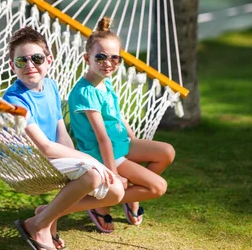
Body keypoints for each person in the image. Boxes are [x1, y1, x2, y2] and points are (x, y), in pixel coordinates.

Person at [2, 26, 125, 250]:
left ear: (48, 60)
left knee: (116, 192)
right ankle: (38, 225)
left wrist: (78, 157)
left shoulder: (51, 86)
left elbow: (61, 132)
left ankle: (46, 215)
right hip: (28, 161)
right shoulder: (14, 100)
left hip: (52, 158)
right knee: (91, 176)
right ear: (12, 65)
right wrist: (89, 161)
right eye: (21, 60)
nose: (30, 65)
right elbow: (45, 147)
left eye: (36, 58)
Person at [68, 17, 175, 233]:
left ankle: (130, 194)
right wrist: (114, 174)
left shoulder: (104, 82)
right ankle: (97, 205)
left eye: (114, 58)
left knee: (166, 152)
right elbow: (101, 138)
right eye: (100, 57)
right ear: (86, 58)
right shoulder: (85, 92)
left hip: (120, 143)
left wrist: (134, 140)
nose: (108, 63)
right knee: (157, 187)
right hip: (103, 152)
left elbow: (117, 116)